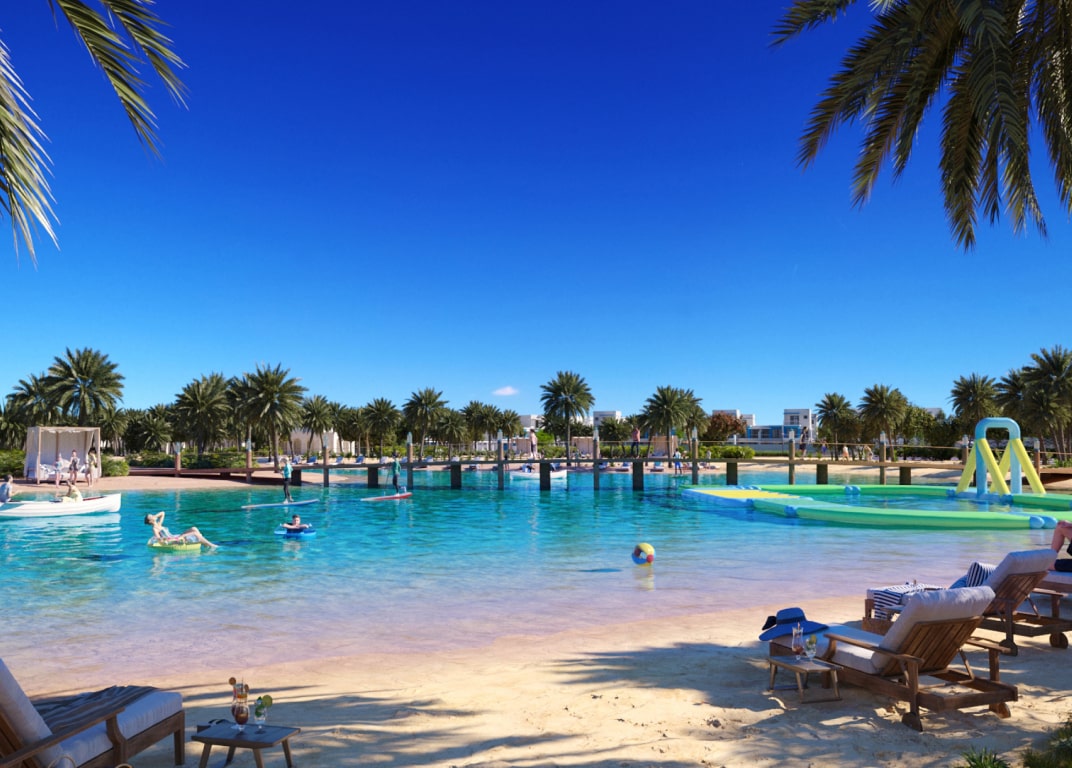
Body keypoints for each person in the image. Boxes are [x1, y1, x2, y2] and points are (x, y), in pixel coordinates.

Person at [144, 510, 217, 548]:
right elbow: (159, 540)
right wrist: (170, 540)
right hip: (173, 540)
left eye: (152, 515)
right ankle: (211, 545)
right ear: (150, 521)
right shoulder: (155, 529)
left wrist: (155, 516)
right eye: (151, 516)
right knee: (195, 533)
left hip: (175, 536)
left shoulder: (159, 524)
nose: (153, 515)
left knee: (194, 528)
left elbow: (163, 513)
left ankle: (204, 543)